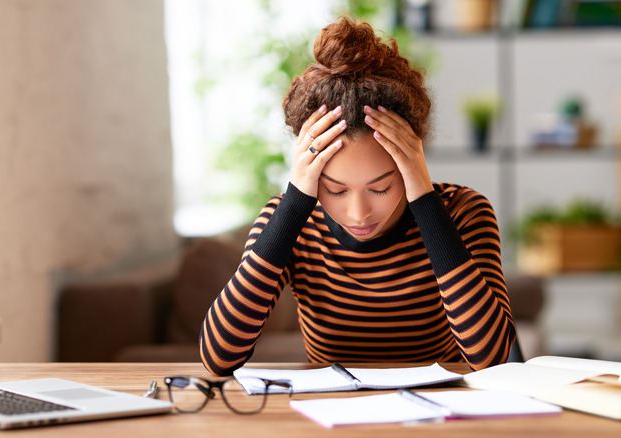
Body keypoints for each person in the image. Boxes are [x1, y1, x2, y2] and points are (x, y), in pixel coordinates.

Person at [200, 16, 514, 376]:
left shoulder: (463, 213)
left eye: (380, 187)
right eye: (335, 189)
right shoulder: (289, 221)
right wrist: (294, 203)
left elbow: (492, 360)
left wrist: (424, 200)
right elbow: (219, 357)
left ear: (413, 160)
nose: (359, 213)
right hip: (327, 420)